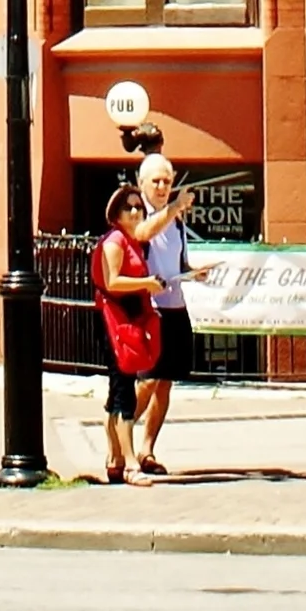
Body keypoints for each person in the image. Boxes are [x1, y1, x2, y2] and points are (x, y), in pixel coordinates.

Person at [131, 154, 202, 476]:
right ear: (142, 183)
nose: (162, 187)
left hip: (175, 307)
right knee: (147, 380)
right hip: (149, 310)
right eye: (156, 181)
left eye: (167, 181)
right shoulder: (137, 213)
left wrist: (194, 272)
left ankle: (147, 450)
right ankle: (121, 442)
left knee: (165, 383)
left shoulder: (178, 224)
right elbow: (143, 234)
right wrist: (173, 207)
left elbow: (178, 263)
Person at [91, 185, 163, 485]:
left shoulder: (136, 242)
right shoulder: (115, 241)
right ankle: (131, 462)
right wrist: (147, 283)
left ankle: (115, 459)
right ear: (116, 214)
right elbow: (112, 281)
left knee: (119, 389)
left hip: (130, 322)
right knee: (123, 392)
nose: (135, 212)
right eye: (129, 207)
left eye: (138, 207)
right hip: (114, 322)